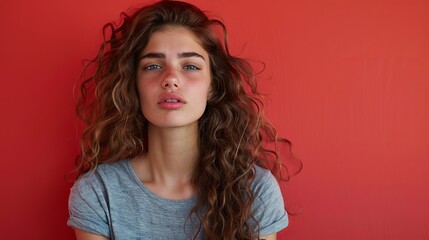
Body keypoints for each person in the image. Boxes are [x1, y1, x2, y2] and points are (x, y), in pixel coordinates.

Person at [68, 1, 300, 239]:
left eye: (190, 66)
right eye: (153, 66)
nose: (171, 79)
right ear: (133, 85)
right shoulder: (98, 192)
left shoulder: (254, 189)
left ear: (213, 86)